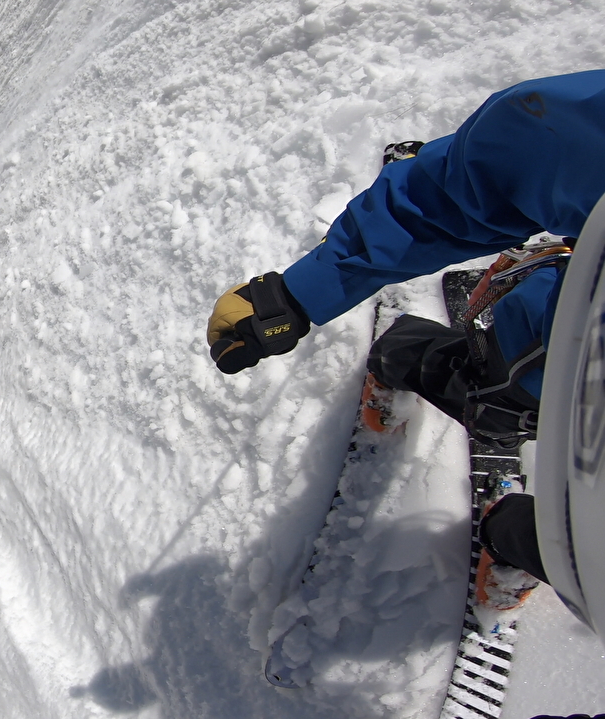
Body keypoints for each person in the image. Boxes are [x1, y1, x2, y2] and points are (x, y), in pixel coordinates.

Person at [205, 70, 605, 602]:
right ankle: (401, 355)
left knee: (578, 535)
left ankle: (522, 540)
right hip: (561, 351)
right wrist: (299, 295)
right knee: (495, 403)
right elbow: (480, 180)